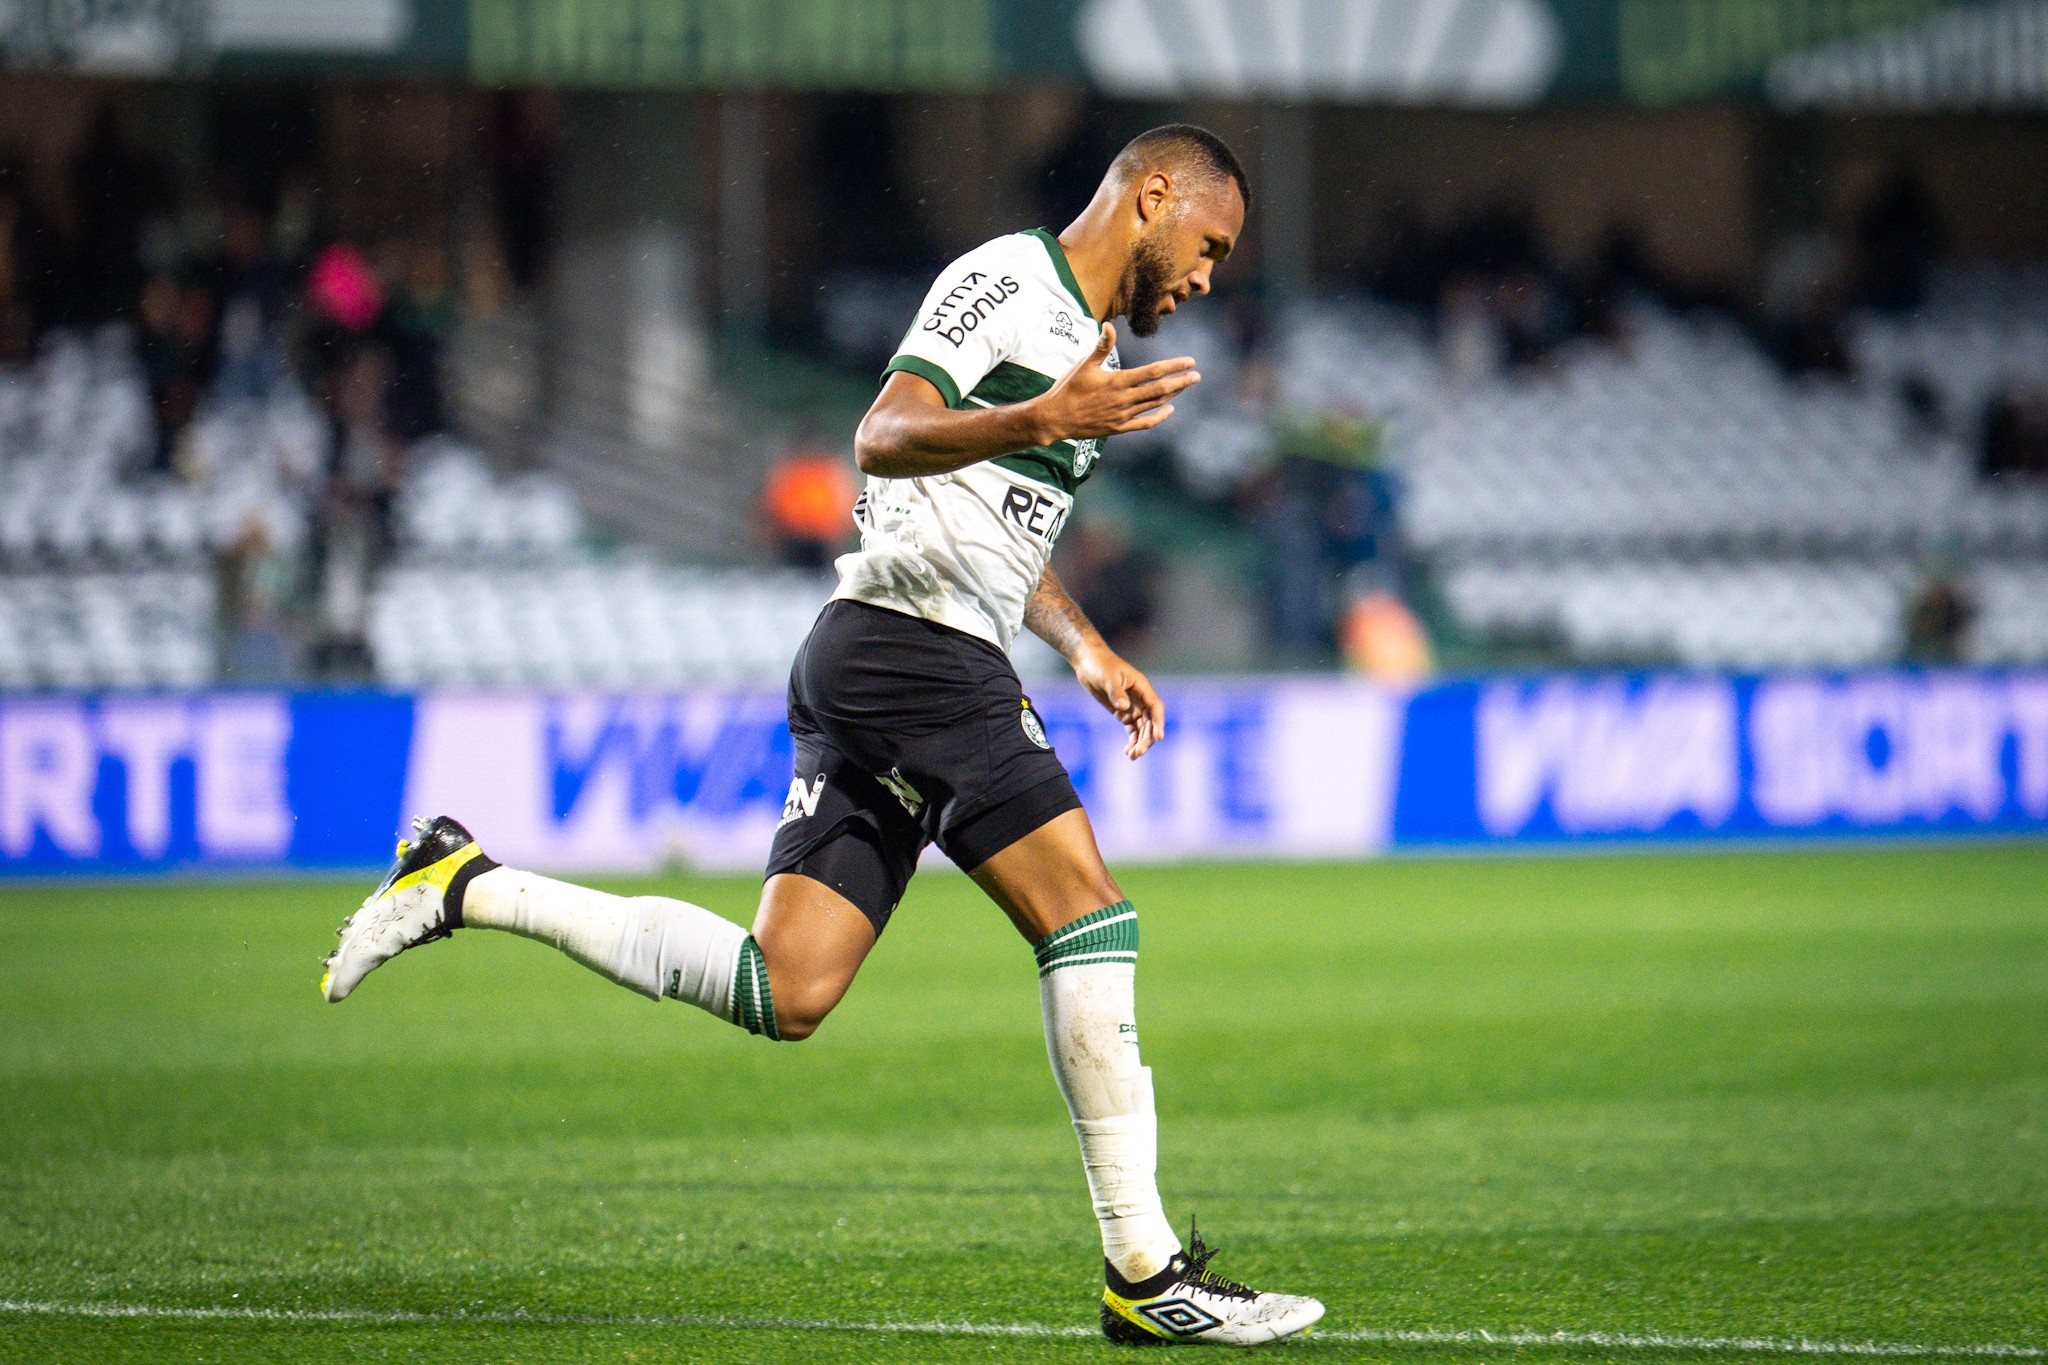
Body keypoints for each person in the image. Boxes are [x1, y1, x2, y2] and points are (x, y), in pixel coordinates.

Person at [320, 125, 1323, 1347]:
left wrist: (1083, 643)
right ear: (1152, 194)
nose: (1208, 276)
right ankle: (1143, 1269)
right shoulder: (1006, 282)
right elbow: (882, 435)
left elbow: (1001, 533)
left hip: (893, 651)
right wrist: (1040, 417)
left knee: (781, 987)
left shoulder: (1088, 355)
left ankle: (463, 882)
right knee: (1088, 915)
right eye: (1209, 244)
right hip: (910, 648)